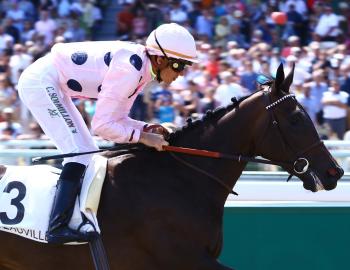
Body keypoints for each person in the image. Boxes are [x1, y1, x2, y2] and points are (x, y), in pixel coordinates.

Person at [17, 23, 198, 244]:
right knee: (80, 151)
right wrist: (142, 137)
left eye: (185, 67)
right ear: (159, 59)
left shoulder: (141, 70)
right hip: (40, 82)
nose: (180, 73)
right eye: (179, 65)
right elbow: (101, 126)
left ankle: (66, 219)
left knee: (85, 151)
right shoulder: (129, 70)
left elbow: (116, 119)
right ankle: (56, 227)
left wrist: (145, 128)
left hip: (52, 82)